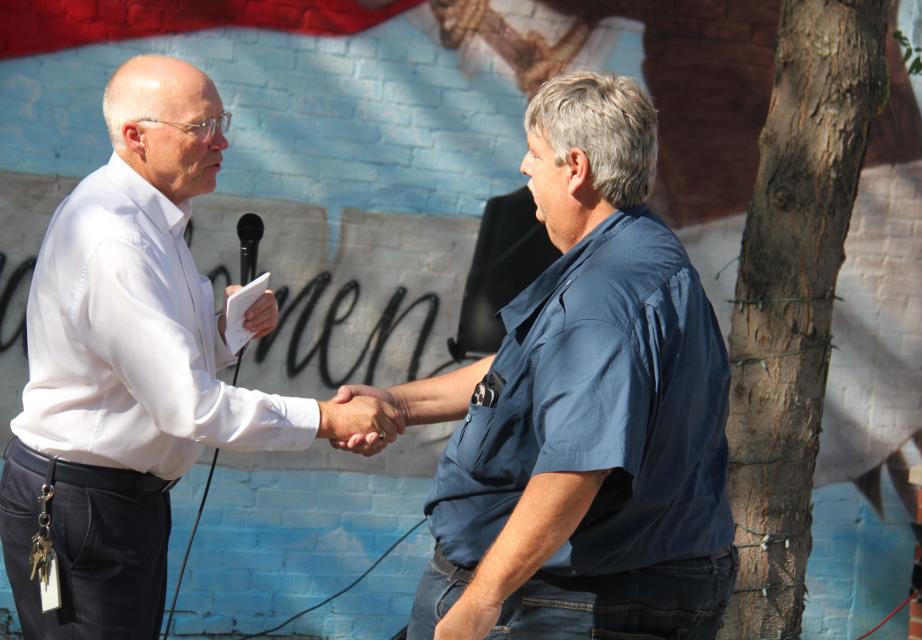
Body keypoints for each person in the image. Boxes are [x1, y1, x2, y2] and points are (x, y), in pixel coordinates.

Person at [0, 54, 401, 639]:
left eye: (222, 123)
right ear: (136, 137)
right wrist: (325, 418)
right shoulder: (117, 238)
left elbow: (146, 370)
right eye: (200, 127)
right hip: (84, 505)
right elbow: (187, 405)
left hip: (109, 502)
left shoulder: (149, 220)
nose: (221, 143)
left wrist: (225, 331)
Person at [334, 71, 737, 639]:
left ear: (576, 169)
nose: (524, 168)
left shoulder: (601, 302)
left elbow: (576, 465)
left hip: (562, 601)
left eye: (536, 153)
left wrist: (481, 602)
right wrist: (398, 401)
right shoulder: (643, 249)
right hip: (646, 574)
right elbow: (525, 370)